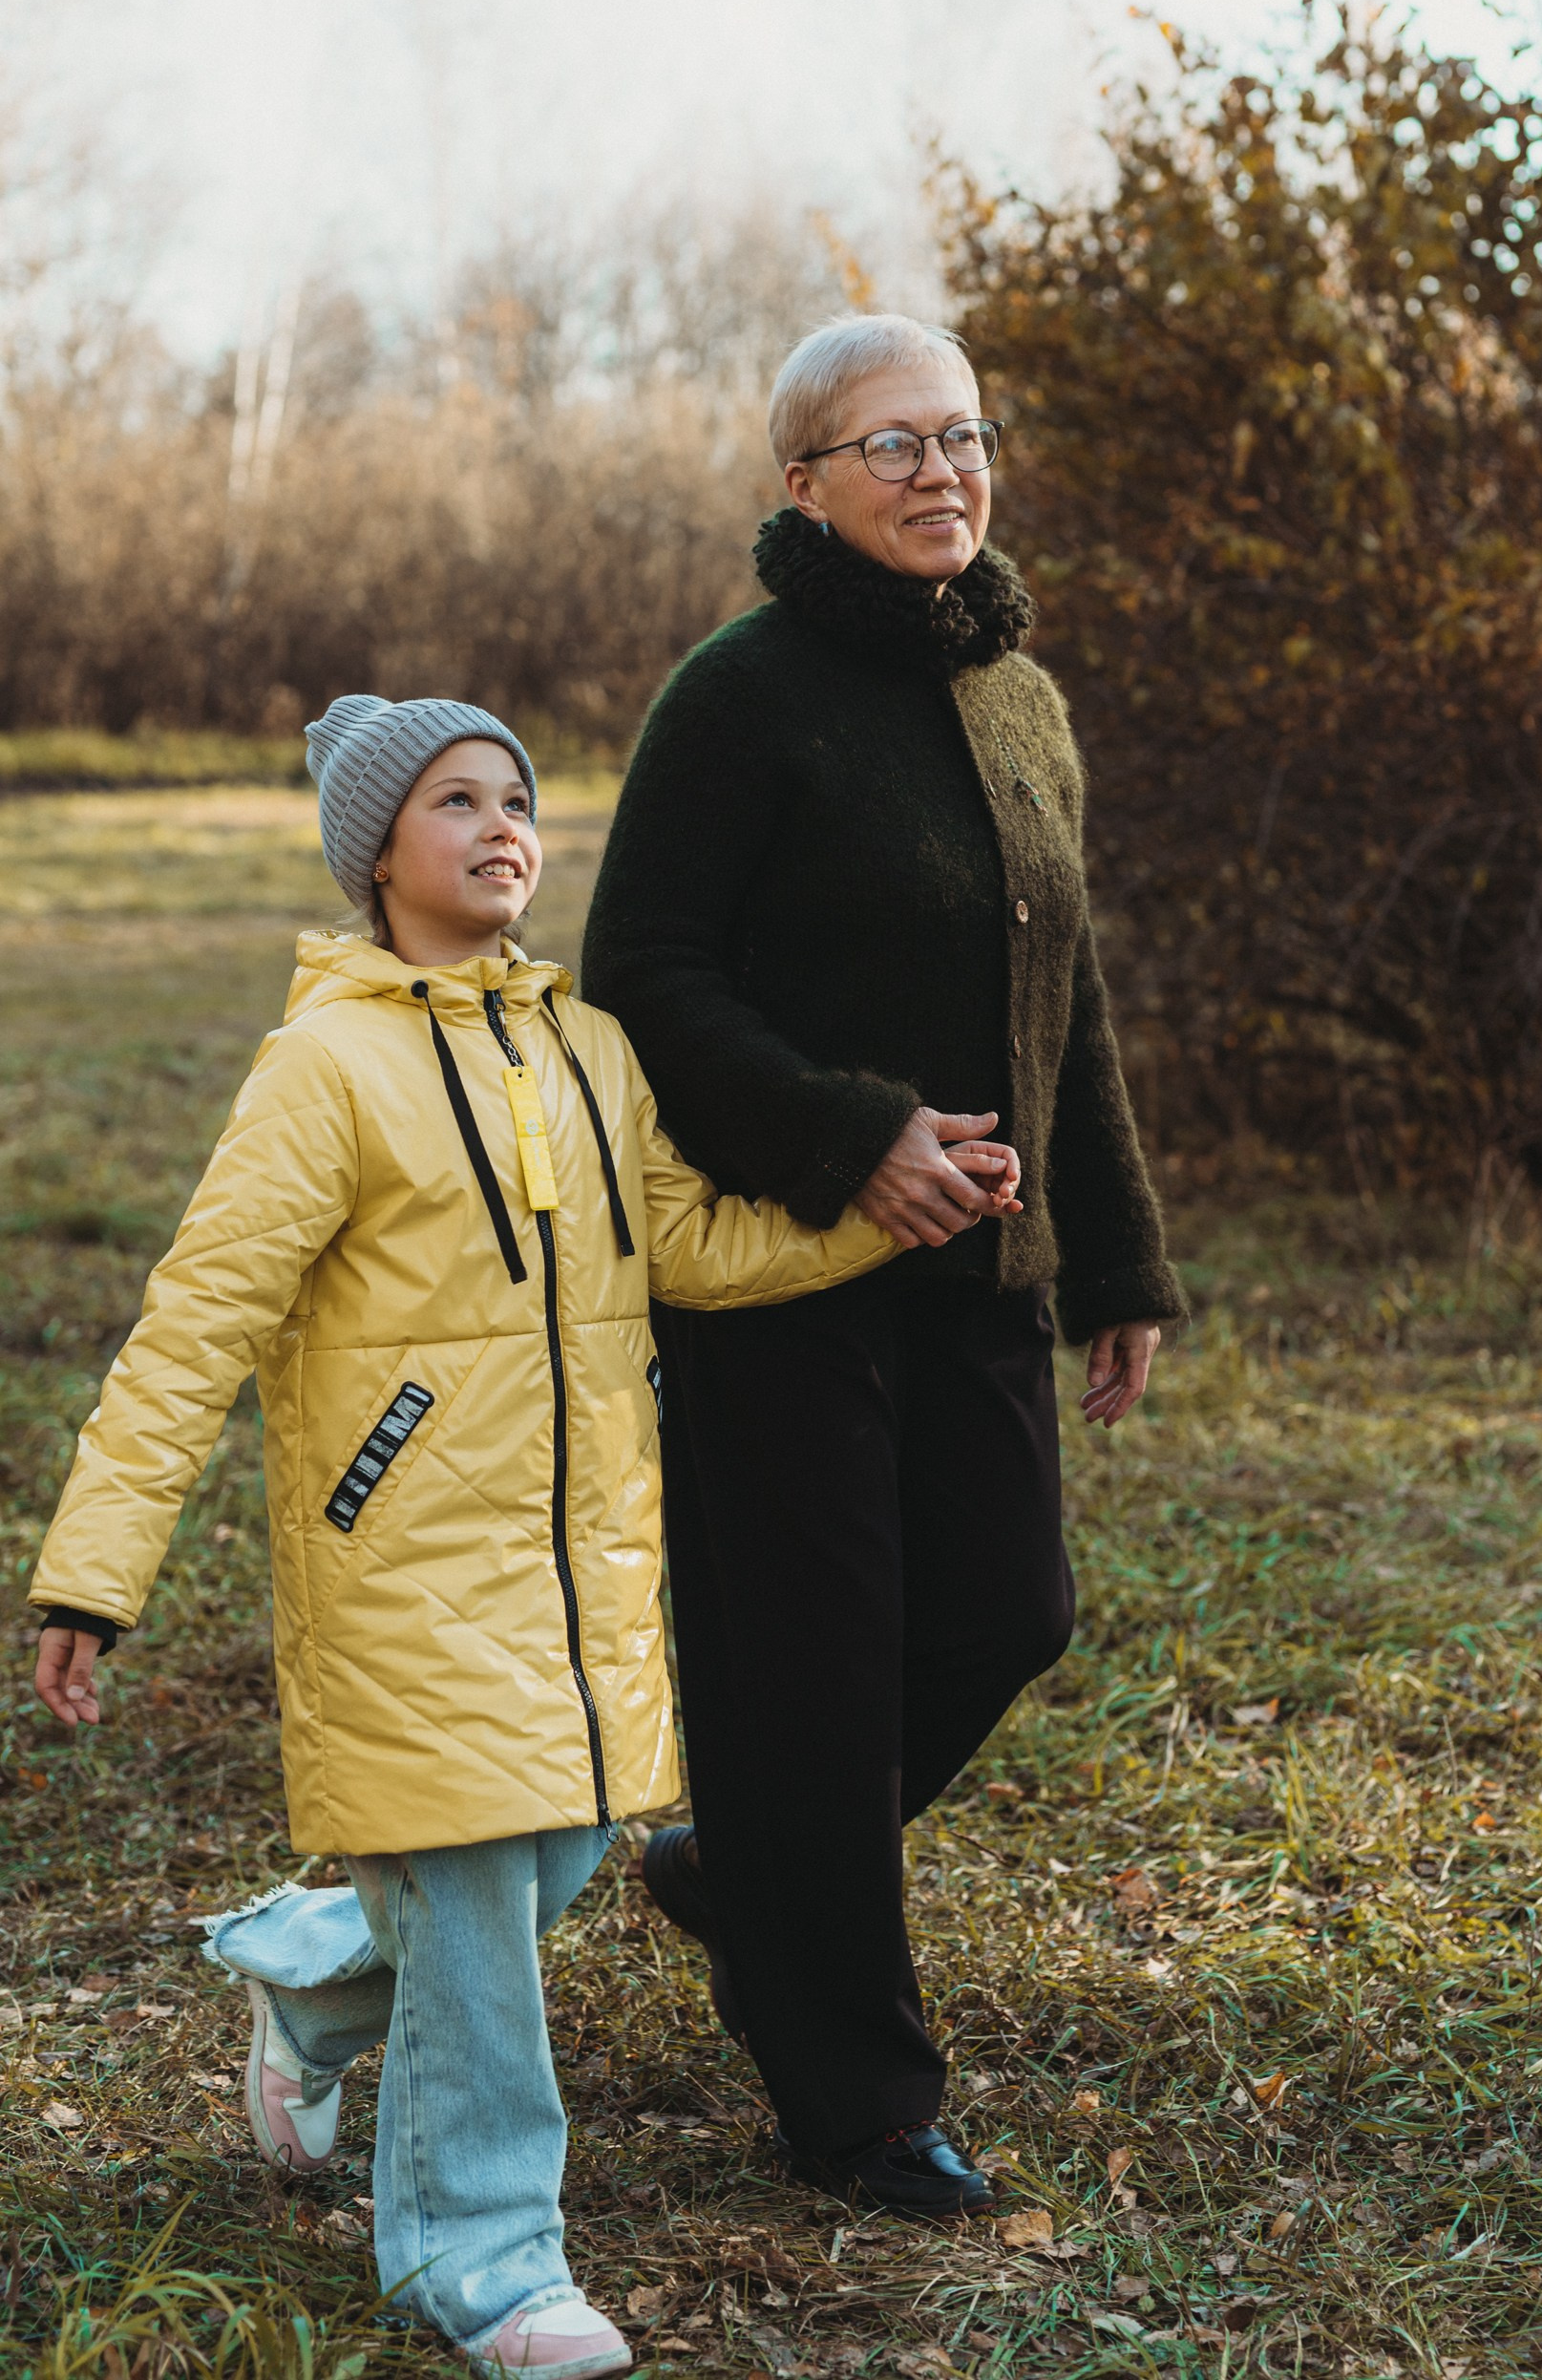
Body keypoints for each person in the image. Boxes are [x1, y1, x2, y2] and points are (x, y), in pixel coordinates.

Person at [29, 691, 1016, 2377]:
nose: (503, 827)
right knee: (484, 1908)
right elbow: (195, 1327)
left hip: (578, 1574)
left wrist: (872, 1220)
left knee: (540, 1872)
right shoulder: (321, 1071)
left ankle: (320, 1974)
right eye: (454, 803)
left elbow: (688, 1245)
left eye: (517, 800)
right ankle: (482, 2258)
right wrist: (92, 1572)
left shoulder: (590, 1048)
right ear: (376, 859)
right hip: (402, 1566)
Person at [580, 311, 1187, 2220]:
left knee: (1008, 1612)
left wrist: (1116, 1261)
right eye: (891, 444)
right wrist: (857, 1138)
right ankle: (854, 2105)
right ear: (806, 486)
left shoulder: (1024, 701)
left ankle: (739, 1869)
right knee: (812, 1689)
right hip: (780, 1276)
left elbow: (1058, 992)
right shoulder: (740, 696)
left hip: (979, 1277)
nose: (941, 470)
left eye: (963, 435)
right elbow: (645, 979)